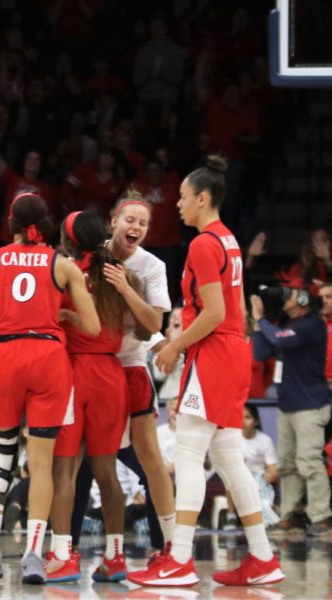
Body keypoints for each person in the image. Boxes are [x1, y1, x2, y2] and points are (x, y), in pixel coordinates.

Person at [129, 156, 284, 587]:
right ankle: (263, 557)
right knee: (230, 457)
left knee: (189, 454)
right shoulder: (228, 239)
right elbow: (233, 310)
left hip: (214, 353)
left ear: (202, 198)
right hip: (233, 351)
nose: (177, 204)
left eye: (182, 197)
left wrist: (174, 345)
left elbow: (213, 312)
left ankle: (179, 559)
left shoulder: (203, 244)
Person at [0, 193, 99, 583]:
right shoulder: (64, 265)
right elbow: (92, 327)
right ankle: (34, 556)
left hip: (5, 358)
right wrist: (64, 314)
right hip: (49, 359)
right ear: (47, 225)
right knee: (41, 465)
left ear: (11, 223)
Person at [85, 194, 176, 555]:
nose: (136, 227)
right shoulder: (91, 257)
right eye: (130, 220)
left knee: (150, 458)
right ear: (114, 221)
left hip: (131, 366)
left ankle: (169, 546)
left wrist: (125, 288)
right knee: (86, 466)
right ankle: (76, 548)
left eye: (143, 223)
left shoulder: (152, 266)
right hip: (94, 366)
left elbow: (154, 323)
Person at [48, 210, 136, 584]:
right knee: (107, 472)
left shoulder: (62, 271)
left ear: (68, 241)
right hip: (111, 375)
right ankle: (115, 557)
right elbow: (144, 327)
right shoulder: (119, 273)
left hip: (72, 371)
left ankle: (62, 556)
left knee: (64, 471)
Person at [250, 281, 331, 534]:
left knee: (308, 461)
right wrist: (258, 325)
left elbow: (280, 341)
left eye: (291, 293)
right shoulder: (286, 324)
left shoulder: (312, 325)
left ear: (304, 300)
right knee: (287, 463)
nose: (284, 296)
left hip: (310, 405)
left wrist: (261, 320)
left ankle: (321, 516)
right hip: (288, 405)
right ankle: (290, 515)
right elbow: (260, 353)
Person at [224, 405, 279, 528]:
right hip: (239, 478)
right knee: (229, 479)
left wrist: (265, 479)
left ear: (256, 421)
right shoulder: (233, 438)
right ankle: (231, 517)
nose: (243, 421)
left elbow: (273, 471)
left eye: (247, 417)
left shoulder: (265, 440)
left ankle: (266, 513)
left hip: (259, 480)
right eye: (240, 417)